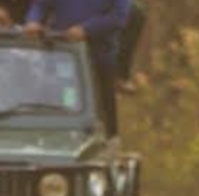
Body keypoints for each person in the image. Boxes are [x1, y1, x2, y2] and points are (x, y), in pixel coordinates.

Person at [24, 0, 131, 136]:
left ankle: (108, 143)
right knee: (65, 98)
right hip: (64, 54)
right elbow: (40, 5)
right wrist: (33, 20)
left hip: (98, 58)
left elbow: (118, 17)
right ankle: (60, 139)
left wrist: (86, 29)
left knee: (103, 111)